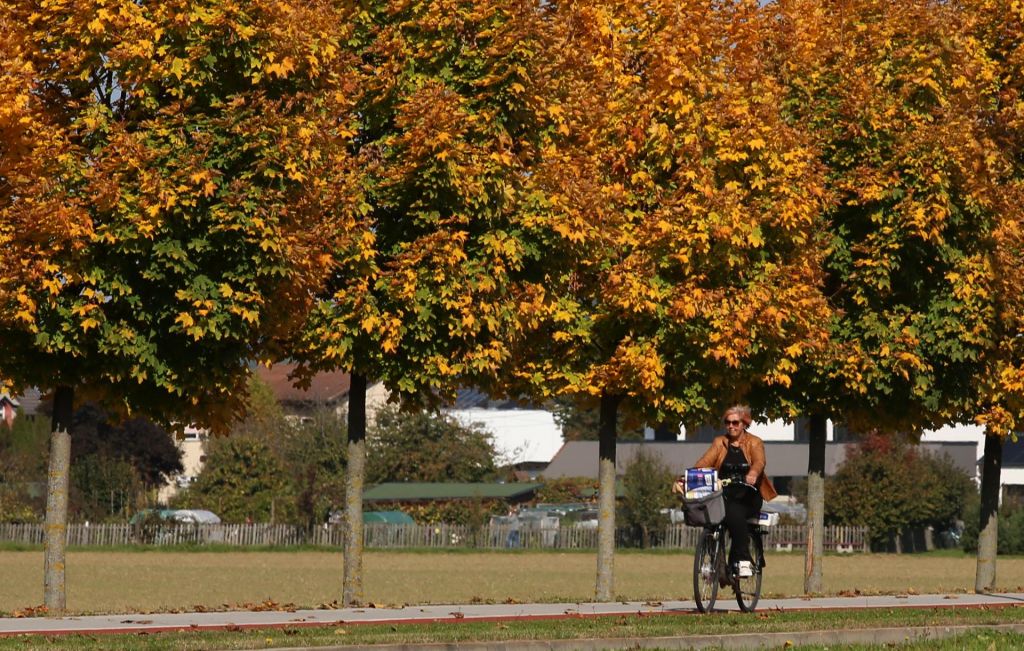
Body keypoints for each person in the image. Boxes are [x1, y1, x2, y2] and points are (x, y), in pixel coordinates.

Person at [688, 405, 777, 578]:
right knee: (715, 509)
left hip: (749, 494)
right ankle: (717, 560)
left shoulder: (754, 442)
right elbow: (703, 463)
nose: (731, 426)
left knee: (734, 511)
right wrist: (687, 477)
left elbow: (759, 461)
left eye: (735, 422)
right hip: (725, 493)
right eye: (727, 422)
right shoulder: (719, 443)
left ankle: (743, 560)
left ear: (744, 423)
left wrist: (752, 473)